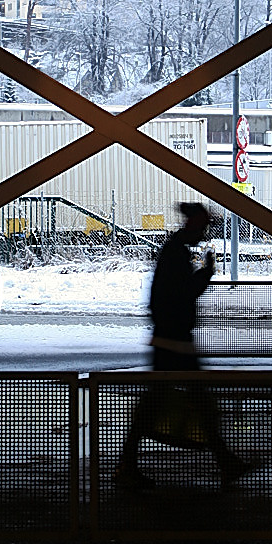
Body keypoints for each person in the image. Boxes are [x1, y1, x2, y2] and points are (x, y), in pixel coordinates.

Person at [115, 202, 250, 489]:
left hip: (170, 339)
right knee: (191, 399)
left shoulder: (173, 250)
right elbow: (184, 294)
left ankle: (224, 460)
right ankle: (225, 461)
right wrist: (206, 274)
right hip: (175, 342)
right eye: (203, 227)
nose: (204, 233)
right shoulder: (176, 253)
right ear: (192, 225)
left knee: (165, 399)